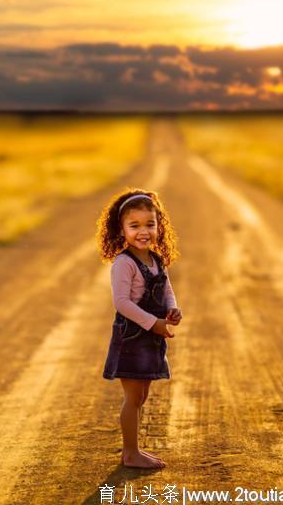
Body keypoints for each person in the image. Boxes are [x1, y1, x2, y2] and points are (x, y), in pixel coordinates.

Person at [95, 188, 182, 469]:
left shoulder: (156, 259)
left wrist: (171, 309)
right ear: (121, 231)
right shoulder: (124, 263)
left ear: (159, 225)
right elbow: (121, 303)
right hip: (132, 336)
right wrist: (153, 323)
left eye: (150, 224)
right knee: (133, 397)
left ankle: (135, 450)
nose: (143, 231)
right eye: (134, 226)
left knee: (142, 395)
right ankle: (130, 452)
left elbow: (166, 289)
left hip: (151, 335)